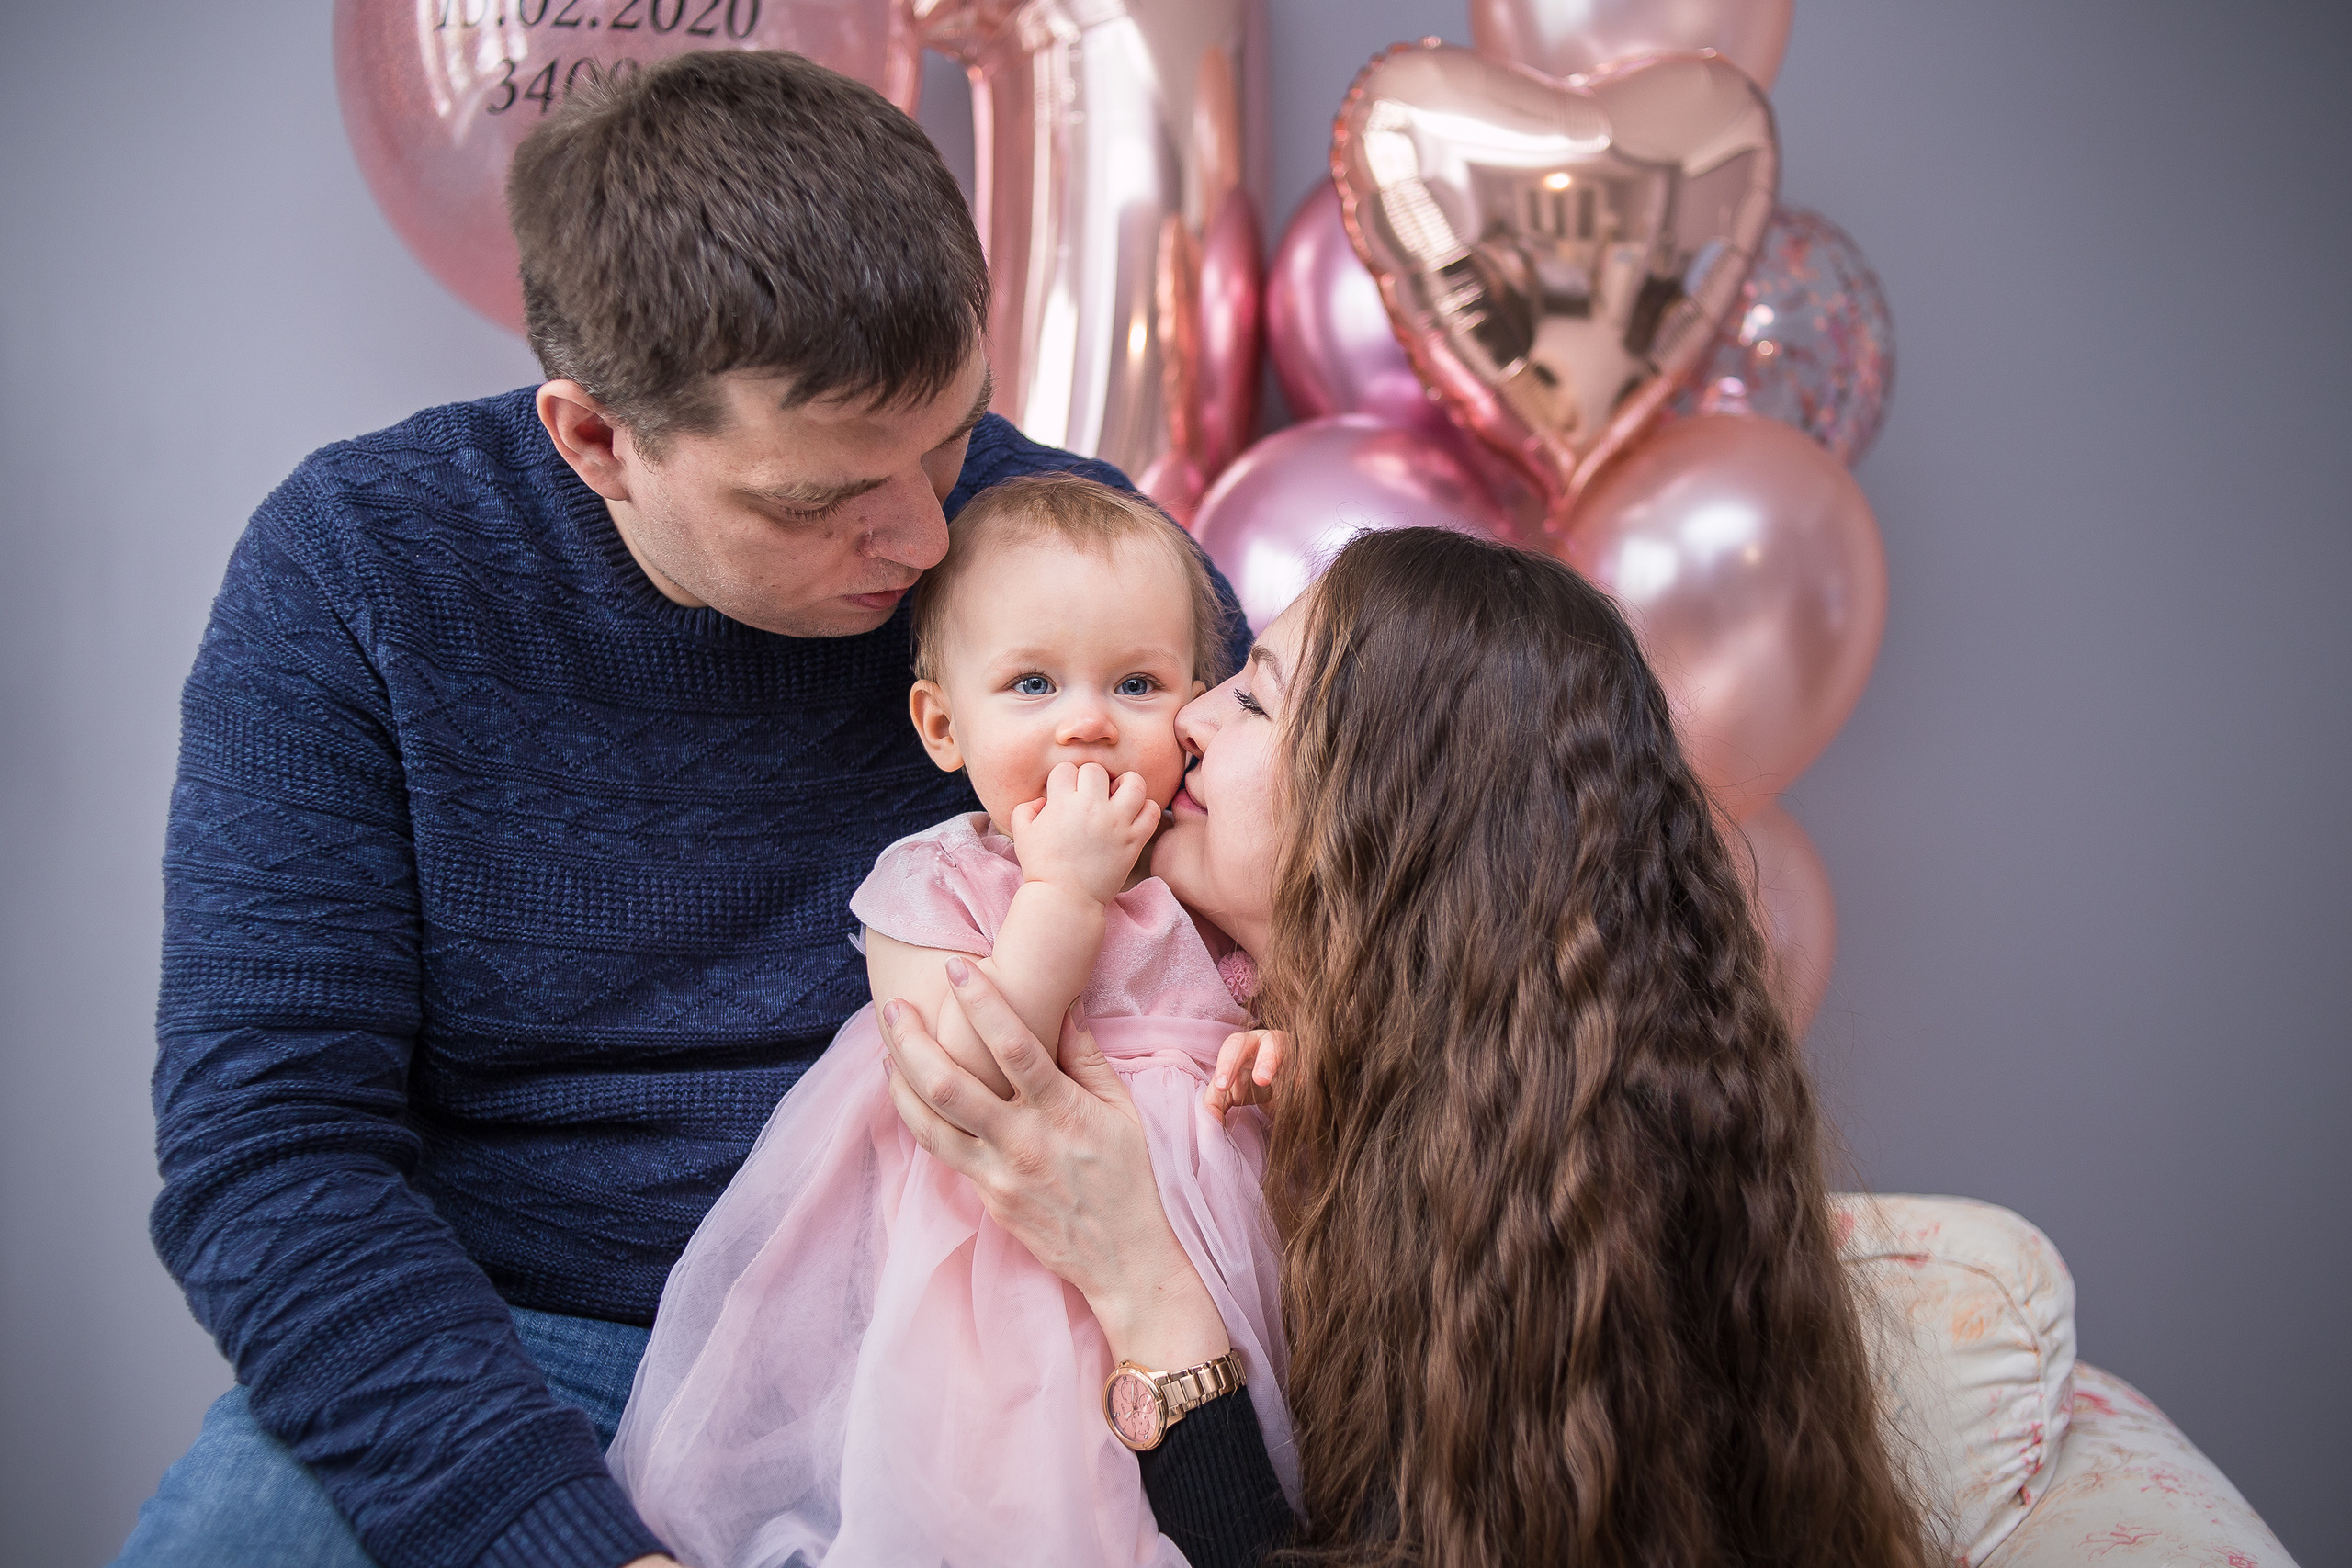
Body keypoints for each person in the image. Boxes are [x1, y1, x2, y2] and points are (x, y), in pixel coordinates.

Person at [119, 52, 1246, 1568]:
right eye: (818, 499)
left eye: (950, 436)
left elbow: (1326, 941)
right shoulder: (361, 572)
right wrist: (566, 1540)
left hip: (955, 1332)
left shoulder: (1076, 570)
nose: (927, 538)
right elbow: (273, 1148)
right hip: (512, 1341)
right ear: (596, 440)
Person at [876, 527, 1934, 1568]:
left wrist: (1140, 1280)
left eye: (1252, 699)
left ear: (1385, 815)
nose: (1186, 717)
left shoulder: (1516, 1219)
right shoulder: (1309, 1074)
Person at [608, 474, 1294, 1567]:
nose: (1086, 721)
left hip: (1203, 1275)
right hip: (994, 1273)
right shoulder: (941, 881)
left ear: (1193, 711)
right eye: (1032, 683)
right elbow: (963, 1076)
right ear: (942, 724)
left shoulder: (1203, 873)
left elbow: (1270, 1001)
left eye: (1136, 683)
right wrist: (1062, 893)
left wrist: (1279, 1054)